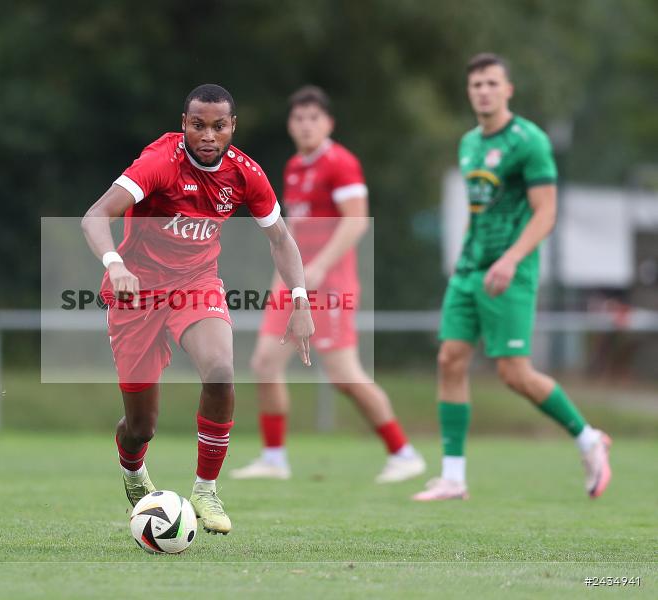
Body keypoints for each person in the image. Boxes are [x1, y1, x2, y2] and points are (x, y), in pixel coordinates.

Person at [81, 84, 314, 534]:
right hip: (137, 295)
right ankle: (133, 472)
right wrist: (115, 264)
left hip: (196, 285)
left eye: (218, 126)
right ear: (183, 124)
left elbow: (282, 239)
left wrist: (300, 299)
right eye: (198, 125)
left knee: (221, 371)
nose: (208, 135)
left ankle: (205, 490)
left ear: (232, 128)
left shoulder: (245, 174)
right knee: (141, 426)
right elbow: (95, 216)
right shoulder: (159, 163)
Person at [413, 53, 612, 502]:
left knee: (514, 374)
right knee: (450, 359)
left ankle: (588, 439)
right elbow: (480, 209)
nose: (483, 90)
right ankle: (453, 477)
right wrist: (468, 257)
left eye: (491, 83)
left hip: (512, 271)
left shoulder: (529, 141)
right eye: (476, 84)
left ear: (508, 90)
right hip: (469, 271)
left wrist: (510, 259)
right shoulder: (468, 144)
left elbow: (546, 213)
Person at [230, 86, 425, 483]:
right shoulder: (293, 167)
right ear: (290, 125)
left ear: (328, 123)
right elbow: (287, 236)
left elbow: (355, 221)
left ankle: (403, 453)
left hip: (330, 283)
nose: (305, 126)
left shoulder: (341, 163)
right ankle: (274, 458)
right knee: (264, 364)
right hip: (294, 284)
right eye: (299, 119)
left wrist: (319, 267)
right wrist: (279, 282)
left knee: (344, 376)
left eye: (313, 119)